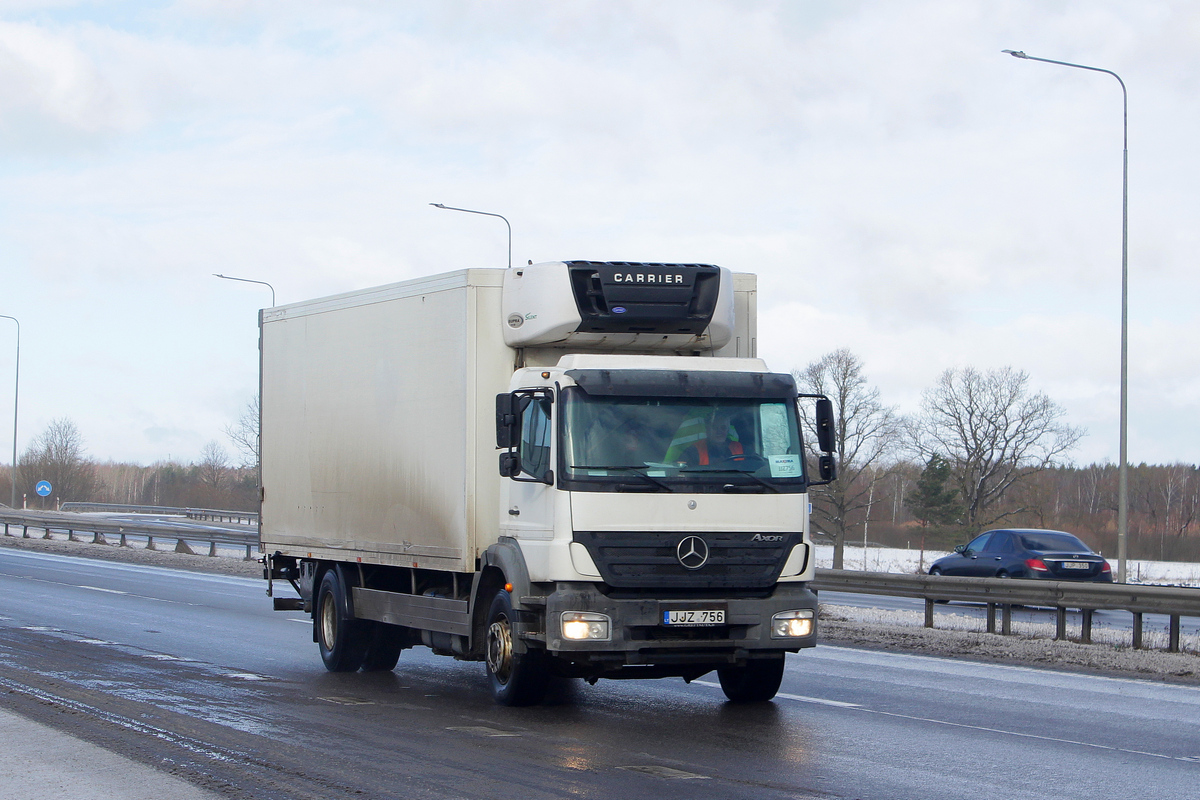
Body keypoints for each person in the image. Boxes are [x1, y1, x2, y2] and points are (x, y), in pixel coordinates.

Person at [668, 407, 746, 466]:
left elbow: (755, 465)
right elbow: (681, 470)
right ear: (707, 429)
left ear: (728, 429)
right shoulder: (694, 450)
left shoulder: (740, 448)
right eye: (715, 427)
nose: (719, 431)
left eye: (723, 427)